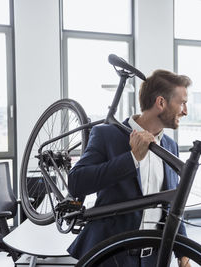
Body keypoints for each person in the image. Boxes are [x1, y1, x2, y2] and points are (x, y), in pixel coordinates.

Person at [67, 69, 192, 266]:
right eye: (182, 102)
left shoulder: (170, 146)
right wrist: (132, 158)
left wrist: (182, 252)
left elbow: (173, 203)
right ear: (161, 103)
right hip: (109, 256)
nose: (185, 111)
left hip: (154, 258)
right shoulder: (106, 135)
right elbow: (77, 183)